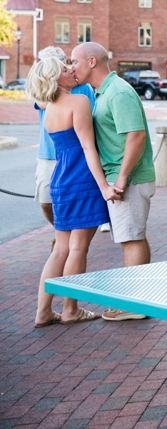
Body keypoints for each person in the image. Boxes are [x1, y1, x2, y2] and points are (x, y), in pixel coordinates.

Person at [27, 57, 119, 327]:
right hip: (81, 180)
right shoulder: (78, 102)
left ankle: (43, 312)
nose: (70, 70)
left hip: (60, 181)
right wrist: (104, 187)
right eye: (64, 69)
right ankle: (71, 309)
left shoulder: (50, 109)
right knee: (78, 248)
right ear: (56, 79)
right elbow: (89, 149)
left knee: (60, 251)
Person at [70, 42, 156, 322]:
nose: (72, 67)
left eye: (75, 62)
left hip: (128, 179)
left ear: (92, 62)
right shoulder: (104, 91)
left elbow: (136, 135)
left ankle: (132, 305)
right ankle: (139, 299)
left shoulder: (117, 92)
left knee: (130, 239)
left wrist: (121, 177)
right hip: (126, 178)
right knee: (135, 237)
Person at [33, 47, 98, 237]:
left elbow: (91, 123)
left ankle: (65, 235)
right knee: (46, 202)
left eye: (57, 65)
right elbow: (45, 101)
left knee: (74, 243)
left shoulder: (83, 89)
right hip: (49, 155)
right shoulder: (44, 91)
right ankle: (62, 231)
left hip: (76, 157)